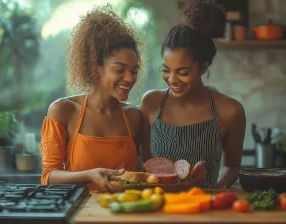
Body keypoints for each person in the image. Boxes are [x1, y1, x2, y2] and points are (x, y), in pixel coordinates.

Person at [140, 0, 246, 189]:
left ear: (204, 66)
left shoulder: (230, 111)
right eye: (166, 69)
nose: (172, 79)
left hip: (206, 209)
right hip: (158, 207)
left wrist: (215, 192)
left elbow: (232, 166)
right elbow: (145, 162)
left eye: (183, 72)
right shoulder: (150, 103)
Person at [40, 4, 142, 192]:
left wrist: (185, 175)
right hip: (81, 214)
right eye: (120, 70)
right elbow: (49, 176)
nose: (130, 78)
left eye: (134, 71)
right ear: (96, 67)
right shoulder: (63, 111)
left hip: (128, 212)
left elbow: (145, 173)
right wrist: (88, 175)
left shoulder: (135, 116)